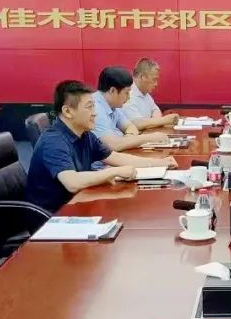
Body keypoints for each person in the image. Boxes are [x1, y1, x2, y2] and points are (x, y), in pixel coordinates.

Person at [25, 80, 176, 213]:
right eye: (89, 107)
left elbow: (116, 157)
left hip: (77, 203)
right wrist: (113, 172)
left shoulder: (85, 135)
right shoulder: (53, 141)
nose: (95, 113)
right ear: (68, 111)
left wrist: (161, 163)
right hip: (51, 217)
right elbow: (72, 182)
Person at [92, 66, 171, 151]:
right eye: (126, 93)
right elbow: (113, 145)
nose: (129, 97)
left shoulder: (113, 104)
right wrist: (149, 138)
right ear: (112, 91)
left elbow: (130, 126)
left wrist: (128, 139)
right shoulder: (95, 108)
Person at [123, 58, 179, 130]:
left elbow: (155, 110)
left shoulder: (144, 92)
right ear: (142, 77)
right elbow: (136, 123)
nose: (156, 84)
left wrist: (155, 122)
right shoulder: (127, 94)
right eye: (154, 79)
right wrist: (163, 120)